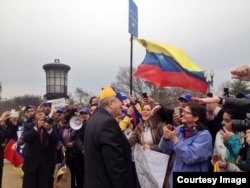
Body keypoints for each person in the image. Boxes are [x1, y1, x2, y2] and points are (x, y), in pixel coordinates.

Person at [84, 86, 135, 188]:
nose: (122, 104)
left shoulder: (94, 119)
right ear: (111, 103)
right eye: (120, 100)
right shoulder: (108, 123)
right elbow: (115, 166)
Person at [159, 103, 213, 188]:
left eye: (187, 112)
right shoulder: (180, 130)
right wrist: (165, 138)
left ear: (196, 118)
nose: (182, 114)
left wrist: (175, 140)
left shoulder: (204, 136)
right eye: (183, 111)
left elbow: (190, 157)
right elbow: (166, 150)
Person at [22, 110, 58, 188]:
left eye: (43, 119)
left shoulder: (50, 126)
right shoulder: (28, 126)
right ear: (34, 120)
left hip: (46, 163)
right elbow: (26, 138)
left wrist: (49, 130)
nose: (42, 121)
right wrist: (36, 128)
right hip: (32, 163)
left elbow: (55, 140)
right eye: (40, 119)